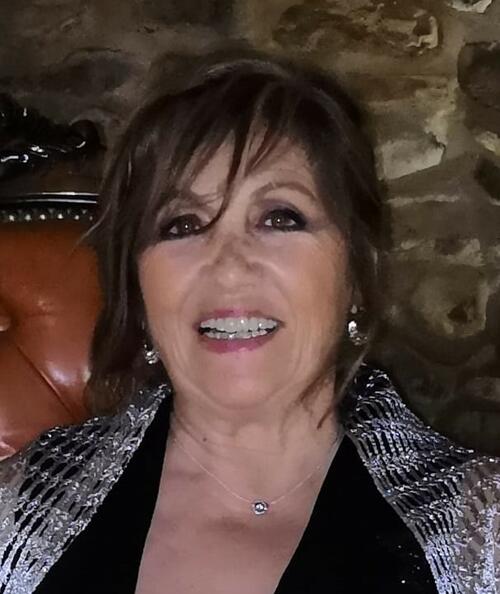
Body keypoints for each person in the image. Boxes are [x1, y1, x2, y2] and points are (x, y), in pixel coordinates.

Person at [0, 48, 498, 594]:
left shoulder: (479, 535)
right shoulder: (17, 510)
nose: (229, 265)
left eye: (279, 218)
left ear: (357, 274)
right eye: (183, 224)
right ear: (139, 293)